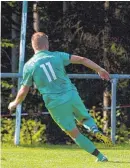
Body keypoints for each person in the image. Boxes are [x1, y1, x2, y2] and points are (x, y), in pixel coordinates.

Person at [8, 32, 112, 162]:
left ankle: (100, 156)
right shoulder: (57, 56)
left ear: (33, 46)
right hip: (71, 94)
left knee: (74, 133)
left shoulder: (29, 66)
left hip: (55, 104)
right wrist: (100, 69)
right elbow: (82, 60)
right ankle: (95, 130)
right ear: (47, 44)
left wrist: (15, 103)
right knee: (84, 118)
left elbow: (24, 90)